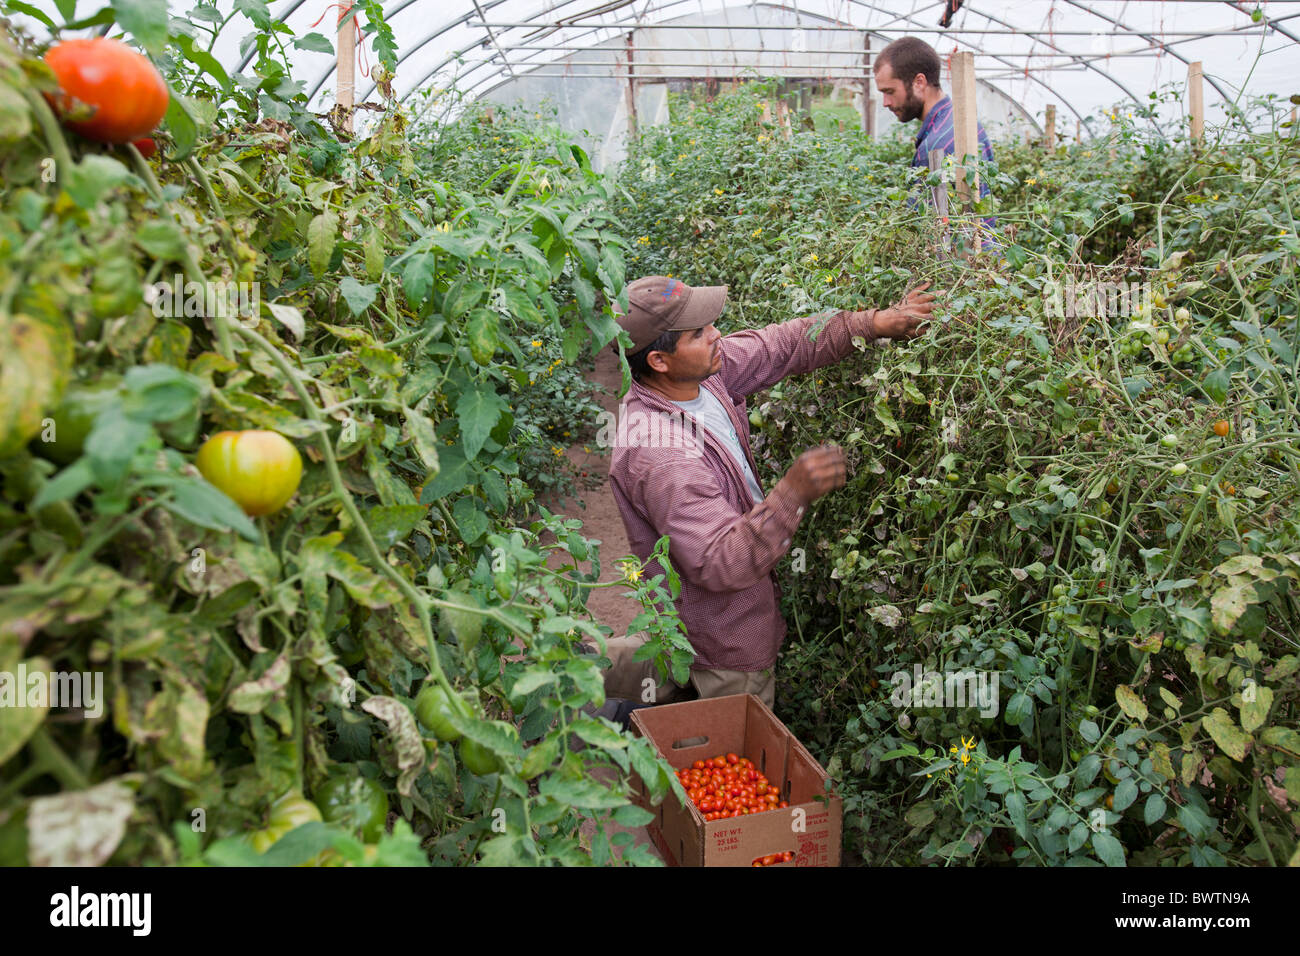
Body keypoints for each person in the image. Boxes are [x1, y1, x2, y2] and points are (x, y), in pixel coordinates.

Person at [596, 275, 936, 712]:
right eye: (699, 333)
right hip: (725, 627)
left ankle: (593, 670)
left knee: (671, 653)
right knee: (728, 747)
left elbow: (785, 343)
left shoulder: (701, 379)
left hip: (687, 608)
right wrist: (791, 493)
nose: (717, 335)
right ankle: (617, 705)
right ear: (660, 360)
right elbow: (722, 562)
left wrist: (875, 322)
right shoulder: (662, 453)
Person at [873, 35, 998, 240]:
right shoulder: (961, 121)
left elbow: (925, 235)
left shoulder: (935, 148)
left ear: (919, 82)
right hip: (984, 258)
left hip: (960, 265)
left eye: (889, 91)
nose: (885, 102)